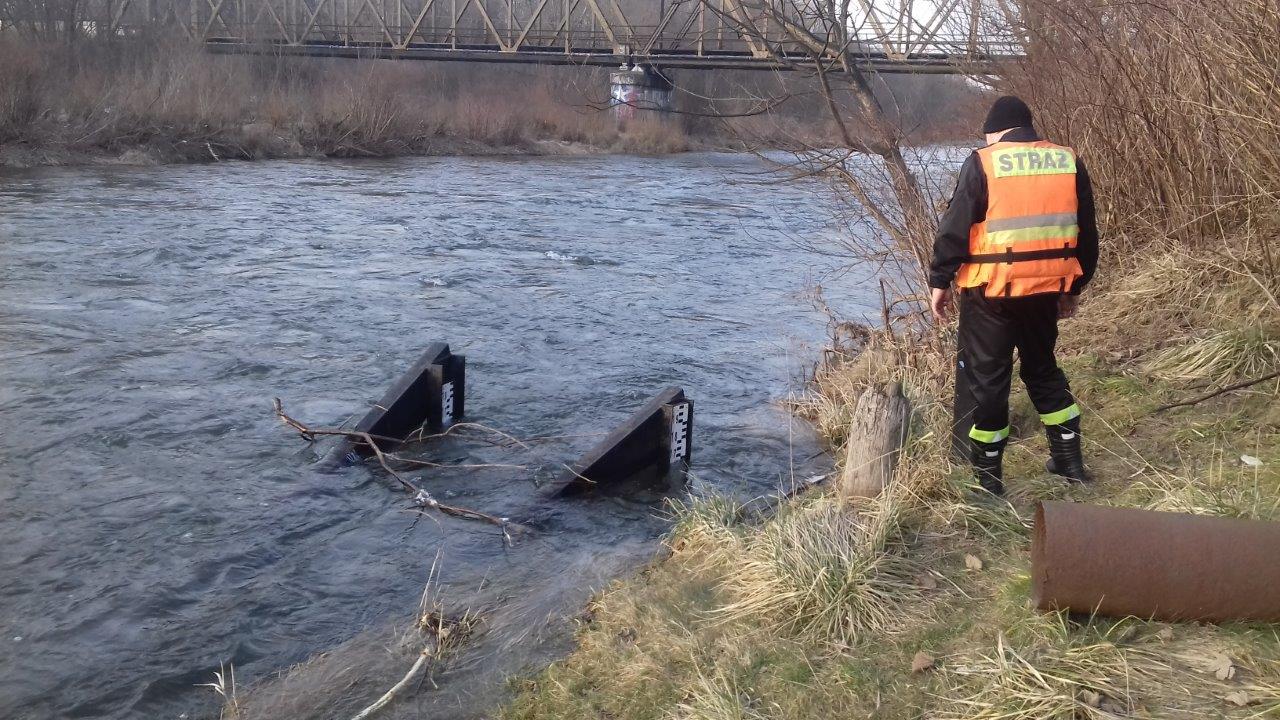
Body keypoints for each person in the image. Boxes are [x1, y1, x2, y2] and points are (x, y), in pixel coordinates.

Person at [928, 96, 1099, 495]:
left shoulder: (984, 161)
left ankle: (989, 482)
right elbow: (1086, 233)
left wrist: (940, 280)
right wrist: (1074, 287)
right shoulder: (1067, 161)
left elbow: (954, 227)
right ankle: (1070, 462)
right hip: (1045, 288)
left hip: (991, 291)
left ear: (997, 131)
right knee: (1042, 369)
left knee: (989, 381)